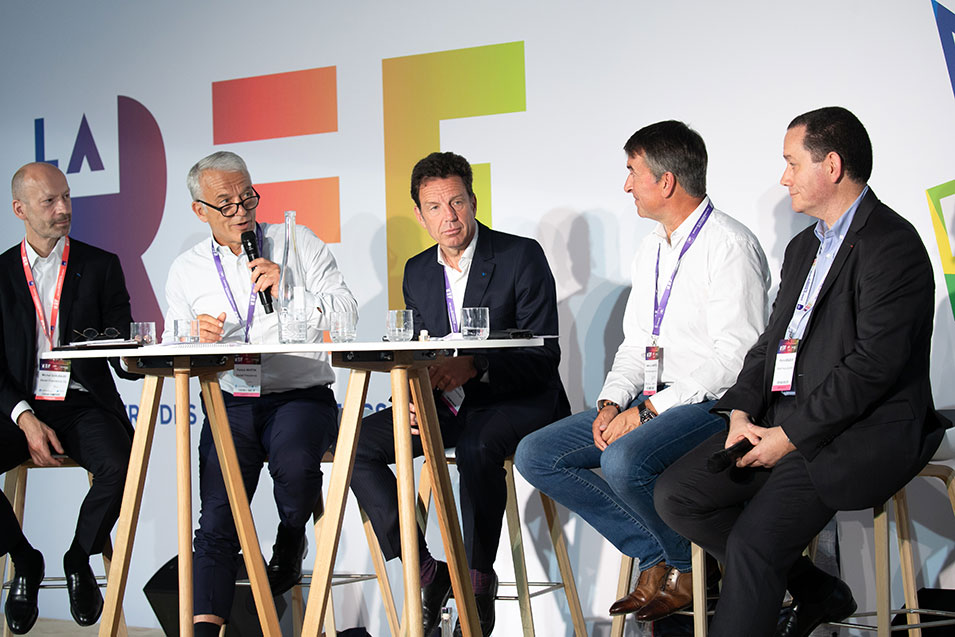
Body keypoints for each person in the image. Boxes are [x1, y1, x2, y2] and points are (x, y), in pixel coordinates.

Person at [655, 106, 950, 637]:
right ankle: (816, 589)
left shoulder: (893, 244)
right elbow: (770, 343)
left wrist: (789, 436)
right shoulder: (802, 247)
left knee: (754, 545)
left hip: (853, 429)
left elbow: (873, 368)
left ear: (831, 166)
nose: (783, 177)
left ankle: (785, 584)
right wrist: (741, 412)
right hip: (783, 417)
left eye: (792, 163)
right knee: (678, 494)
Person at [515, 120, 770, 622]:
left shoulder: (729, 245)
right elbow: (637, 343)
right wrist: (612, 401)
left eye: (633, 171)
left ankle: (691, 568)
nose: (626, 184)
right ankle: (656, 552)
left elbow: (734, 359)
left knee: (623, 460)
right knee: (537, 454)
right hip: (653, 400)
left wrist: (648, 411)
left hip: (710, 404)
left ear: (666, 181)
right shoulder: (652, 247)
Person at [349, 151, 569, 635]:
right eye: (435, 207)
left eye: (456, 202)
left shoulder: (519, 255)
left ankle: (476, 580)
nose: (448, 216)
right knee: (356, 444)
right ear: (420, 215)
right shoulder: (417, 271)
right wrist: (412, 397)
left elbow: (543, 355)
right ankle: (427, 573)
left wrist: (475, 366)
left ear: (472, 201)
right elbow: (419, 351)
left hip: (518, 399)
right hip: (448, 404)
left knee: (476, 445)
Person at [163, 151, 357, 636]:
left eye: (247, 197)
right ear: (200, 210)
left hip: (299, 394)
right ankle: (204, 628)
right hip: (230, 398)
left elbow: (347, 313)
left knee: (294, 470)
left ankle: (291, 536)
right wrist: (192, 335)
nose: (241, 211)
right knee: (217, 517)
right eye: (226, 204)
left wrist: (290, 291)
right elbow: (170, 340)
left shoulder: (298, 242)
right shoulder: (186, 269)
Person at [0, 162, 138, 634]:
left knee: (122, 464)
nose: (63, 209)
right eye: (49, 201)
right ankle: (25, 559)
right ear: (20, 210)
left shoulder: (101, 265)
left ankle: (79, 558)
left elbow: (122, 350)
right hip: (18, 405)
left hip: (81, 401)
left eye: (66, 197)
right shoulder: (0, 273)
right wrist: (24, 418)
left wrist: (139, 352)